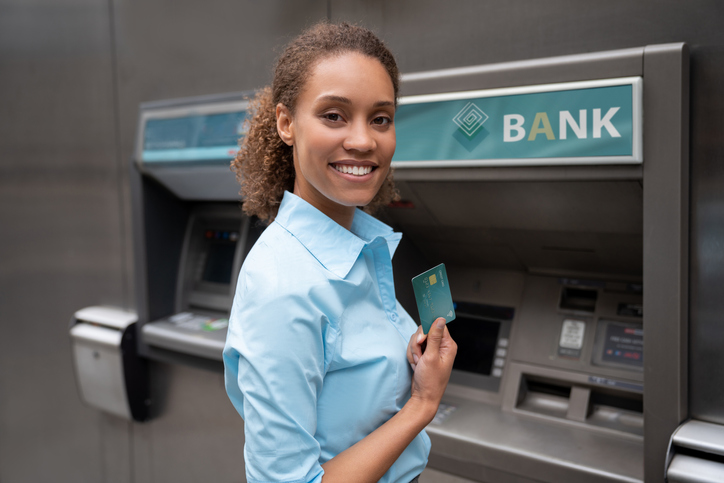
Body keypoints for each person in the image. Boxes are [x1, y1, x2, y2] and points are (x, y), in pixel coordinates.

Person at [223, 22, 457, 483]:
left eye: (380, 118)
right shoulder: (282, 287)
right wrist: (421, 405)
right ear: (286, 123)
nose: (364, 140)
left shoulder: (358, 249)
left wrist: (403, 363)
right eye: (334, 115)